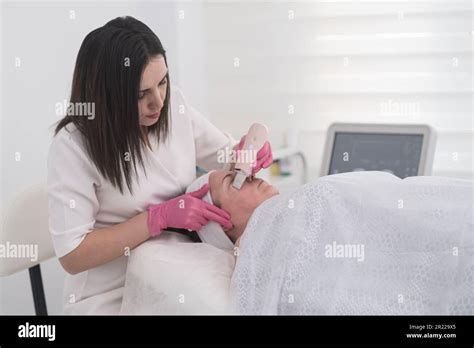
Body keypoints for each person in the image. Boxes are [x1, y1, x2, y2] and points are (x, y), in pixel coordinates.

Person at [46, 16, 273, 314]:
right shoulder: (74, 146)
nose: (158, 102)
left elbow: (226, 156)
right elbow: (73, 255)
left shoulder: (172, 106)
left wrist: (247, 153)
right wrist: (156, 219)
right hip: (111, 295)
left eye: (163, 81)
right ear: (108, 96)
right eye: (141, 95)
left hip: (177, 273)